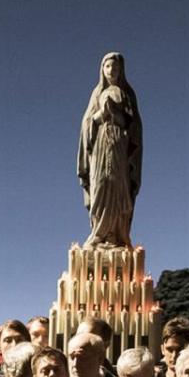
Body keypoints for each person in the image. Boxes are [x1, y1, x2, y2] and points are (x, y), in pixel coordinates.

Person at [77, 51, 142, 248]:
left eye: (115, 66)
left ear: (121, 70)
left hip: (119, 146)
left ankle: (117, 233)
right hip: (100, 145)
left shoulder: (127, 94)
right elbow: (87, 124)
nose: (111, 70)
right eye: (107, 66)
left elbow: (135, 126)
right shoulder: (96, 93)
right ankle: (99, 232)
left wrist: (117, 114)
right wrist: (101, 115)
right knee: (100, 184)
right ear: (102, 69)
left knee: (117, 185)